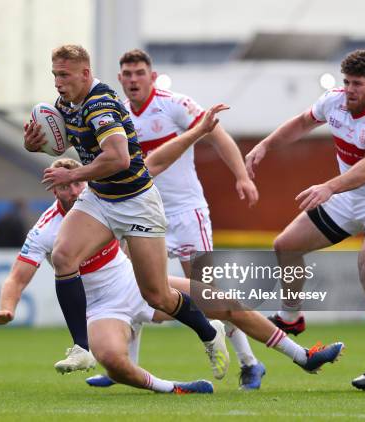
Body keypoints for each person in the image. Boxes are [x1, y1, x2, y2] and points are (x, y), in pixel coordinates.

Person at [0, 157, 344, 394]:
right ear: (54, 189)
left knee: (224, 302)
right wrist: (7, 308)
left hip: (135, 283)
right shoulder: (45, 229)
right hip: (102, 307)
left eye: (76, 183)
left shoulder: (99, 197)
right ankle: (175, 388)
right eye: (65, 187)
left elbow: (144, 169)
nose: (74, 191)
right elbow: (17, 278)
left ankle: (303, 356)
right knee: (112, 362)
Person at [23, 45, 229, 380]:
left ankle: (209, 333)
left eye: (65, 75)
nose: (58, 82)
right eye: (55, 75)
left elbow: (118, 158)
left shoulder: (100, 104)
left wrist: (72, 174)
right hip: (101, 197)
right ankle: (82, 347)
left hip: (136, 201)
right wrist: (35, 144)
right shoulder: (65, 103)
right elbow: (61, 145)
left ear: (85, 73)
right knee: (63, 256)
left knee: (157, 294)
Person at [91, 48, 265, 390]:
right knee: (133, 288)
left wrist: (242, 176)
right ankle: (124, 367)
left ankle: (250, 363)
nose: (132, 79)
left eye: (139, 73)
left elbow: (218, 135)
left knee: (210, 294)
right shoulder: (118, 114)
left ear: (152, 77)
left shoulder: (175, 105)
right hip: (139, 213)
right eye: (126, 74)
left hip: (186, 213)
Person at [245, 49, 365, 391]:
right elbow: (303, 122)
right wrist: (266, 144)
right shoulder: (334, 101)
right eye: (347, 82)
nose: (349, 90)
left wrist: (328, 187)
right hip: (347, 196)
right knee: (286, 245)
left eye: (358, 84)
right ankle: (291, 317)